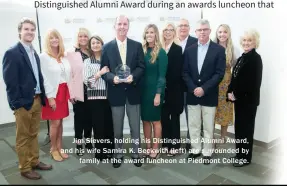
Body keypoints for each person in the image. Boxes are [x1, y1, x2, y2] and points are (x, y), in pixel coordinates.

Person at [2, 17, 52, 180]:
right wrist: (17, 104)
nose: (30, 32)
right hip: (23, 103)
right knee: (23, 137)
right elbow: (10, 82)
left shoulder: (33, 52)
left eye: (32, 29)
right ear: (20, 32)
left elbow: (37, 77)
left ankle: (34, 161)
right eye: (26, 29)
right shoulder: (12, 52)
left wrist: (42, 97)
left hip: (37, 100)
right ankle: (25, 168)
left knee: (33, 134)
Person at [101, 15, 145, 168]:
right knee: (117, 128)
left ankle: (136, 153)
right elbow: (104, 70)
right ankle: (118, 154)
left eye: (124, 24)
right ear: (115, 26)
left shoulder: (137, 45)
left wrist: (134, 76)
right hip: (116, 93)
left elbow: (141, 67)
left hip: (133, 92)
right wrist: (112, 78)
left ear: (128, 26)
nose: (122, 26)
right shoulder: (106, 47)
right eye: (119, 24)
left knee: (135, 128)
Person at [182, 19, 226, 165]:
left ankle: (207, 152)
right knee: (193, 125)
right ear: (196, 32)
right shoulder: (189, 50)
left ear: (209, 30)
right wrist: (194, 88)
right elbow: (185, 72)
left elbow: (219, 73)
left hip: (209, 94)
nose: (202, 32)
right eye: (199, 30)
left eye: (205, 29)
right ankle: (195, 150)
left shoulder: (219, 50)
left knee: (208, 126)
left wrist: (204, 88)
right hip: (192, 94)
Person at [227, 29, 263, 167]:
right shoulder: (242, 57)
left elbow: (253, 84)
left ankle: (245, 158)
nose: (246, 43)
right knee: (240, 129)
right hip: (239, 100)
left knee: (246, 130)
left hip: (248, 101)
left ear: (255, 42)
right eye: (244, 40)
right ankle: (239, 154)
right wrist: (230, 91)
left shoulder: (255, 58)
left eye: (250, 40)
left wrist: (236, 94)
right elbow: (234, 77)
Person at [40, 29, 71, 162]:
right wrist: (50, 97)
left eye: (56, 37)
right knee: (55, 122)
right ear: (48, 40)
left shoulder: (63, 56)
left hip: (64, 91)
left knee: (61, 121)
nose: (54, 40)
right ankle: (53, 149)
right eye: (51, 38)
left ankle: (59, 147)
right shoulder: (43, 57)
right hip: (52, 93)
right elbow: (43, 78)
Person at [83, 35, 114, 161]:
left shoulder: (108, 60)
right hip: (95, 99)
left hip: (109, 97)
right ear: (90, 46)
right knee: (98, 127)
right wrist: (99, 74)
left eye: (98, 42)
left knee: (109, 126)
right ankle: (100, 153)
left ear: (102, 44)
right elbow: (88, 82)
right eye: (93, 43)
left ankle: (110, 151)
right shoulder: (87, 62)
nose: (95, 45)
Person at [141, 24, 168, 159]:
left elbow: (162, 76)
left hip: (155, 92)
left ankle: (156, 148)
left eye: (152, 32)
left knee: (156, 121)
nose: (149, 35)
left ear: (156, 34)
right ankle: (148, 147)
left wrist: (158, 94)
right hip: (142, 92)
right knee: (145, 120)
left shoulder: (161, 52)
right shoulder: (142, 51)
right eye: (147, 33)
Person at [160, 23, 184, 156]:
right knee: (164, 118)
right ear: (162, 32)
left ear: (174, 33)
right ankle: (166, 143)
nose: (168, 32)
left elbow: (177, 72)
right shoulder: (159, 49)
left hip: (174, 90)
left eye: (171, 30)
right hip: (162, 91)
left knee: (174, 118)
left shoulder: (178, 49)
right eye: (165, 30)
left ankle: (175, 145)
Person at [214, 24, 237, 143]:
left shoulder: (232, 49)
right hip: (213, 85)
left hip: (227, 85)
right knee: (212, 111)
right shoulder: (211, 47)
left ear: (229, 34)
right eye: (220, 32)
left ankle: (222, 138)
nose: (222, 34)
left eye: (225, 32)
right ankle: (211, 138)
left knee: (226, 111)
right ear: (216, 34)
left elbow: (236, 68)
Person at [177, 18, 198, 150]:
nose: (183, 28)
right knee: (174, 115)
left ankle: (191, 141)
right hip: (175, 87)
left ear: (189, 28)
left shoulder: (196, 42)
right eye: (180, 26)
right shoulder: (171, 41)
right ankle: (173, 141)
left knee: (191, 115)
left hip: (190, 86)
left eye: (185, 25)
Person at [71, 28, 92, 155]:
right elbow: (70, 74)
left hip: (91, 92)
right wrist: (71, 93)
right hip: (78, 92)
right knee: (79, 120)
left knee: (89, 119)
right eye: (80, 36)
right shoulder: (73, 53)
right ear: (77, 38)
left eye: (85, 36)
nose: (83, 38)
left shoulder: (92, 52)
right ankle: (79, 144)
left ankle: (88, 141)